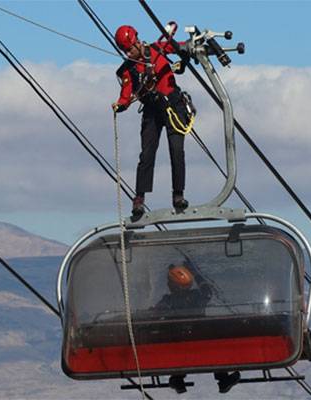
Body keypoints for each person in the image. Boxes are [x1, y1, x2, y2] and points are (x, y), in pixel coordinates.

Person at [111, 24, 194, 221]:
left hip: (173, 105)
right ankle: (139, 199)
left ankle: (178, 194)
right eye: (125, 50)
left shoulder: (158, 49)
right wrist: (119, 105)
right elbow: (126, 95)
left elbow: (180, 47)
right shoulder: (128, 70)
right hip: (151, 111)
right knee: (147, 154)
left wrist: (188, 49)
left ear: (137, 41)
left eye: (130, 48)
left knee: (176, 150)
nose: (129, 52)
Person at [153, 263, 241, 393]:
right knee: (214, 351)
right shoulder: (196, 296)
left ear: (171, 286)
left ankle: (177, 379)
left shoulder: (168, 300)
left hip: (179, 339)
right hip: (200, 336)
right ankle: (222, 378)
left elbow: (156, 312)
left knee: (179, 352)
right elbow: (207, 292)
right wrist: (196, 274)